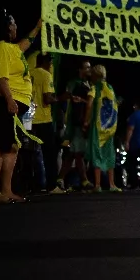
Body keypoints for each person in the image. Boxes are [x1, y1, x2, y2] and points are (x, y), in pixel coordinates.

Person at [0, 12, 39, 203]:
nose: (16, 27)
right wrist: (9, 100)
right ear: (6, 27)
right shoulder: (0, 49)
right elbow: (0, 78)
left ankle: (7, 190)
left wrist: (38, 27)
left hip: (13, 103)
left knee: (12, 146)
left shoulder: (12, 49)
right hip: (2, 101)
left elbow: (26, 43)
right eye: (13, 23)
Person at [83, 64, 120, 192]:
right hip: (109, 127)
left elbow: (89, 104)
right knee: (110, 154)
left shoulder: (95, 88)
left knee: (96, 153)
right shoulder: (110, 88)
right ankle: (112, 185)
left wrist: (86, 121)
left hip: (97, 127)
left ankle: (97, 185)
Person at [57, 59, 93, 191]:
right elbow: (70, 98)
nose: (89, 70)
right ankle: (84, 181)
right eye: (87, 67)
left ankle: (60, 180)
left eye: (90, 67)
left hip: (84, 122)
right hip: (76, 122)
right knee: (78, 153)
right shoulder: (74, 83)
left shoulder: (88, 84)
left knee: (73, 153)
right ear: (80, 69)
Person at [28, 53, 61, 194]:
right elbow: (47, 98)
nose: (51, 64)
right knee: (49, 154)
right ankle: (52, 186)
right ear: (46, 62)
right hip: (43, 119)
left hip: (29, 118)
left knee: (29, 154)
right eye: (50, 61)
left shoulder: (29, 74)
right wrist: (59, 98)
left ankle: (30, 185)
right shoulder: (46, 75)